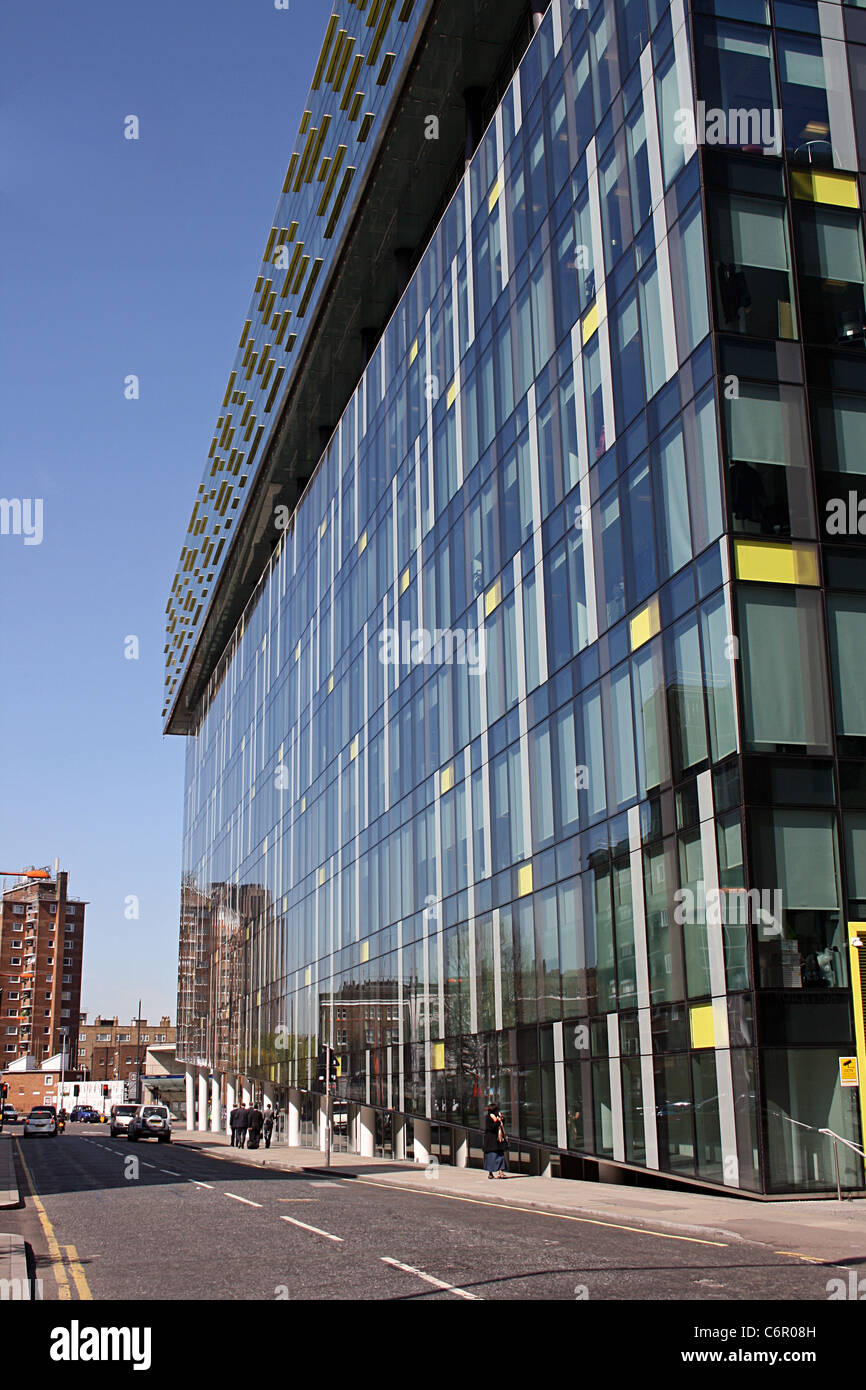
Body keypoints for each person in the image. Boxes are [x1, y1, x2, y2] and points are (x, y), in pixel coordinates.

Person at [483, 1104, 507, 1179]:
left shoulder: (497, 1116)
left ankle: (501, 1172)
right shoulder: (489, 1117)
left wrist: (501, 1119)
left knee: (500, 1155)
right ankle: (490, 1173)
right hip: (491, 1140)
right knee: (491, 1156)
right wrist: (498, 1122)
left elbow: (502, 1124)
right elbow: (491, 1127)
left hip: (498, 1140)